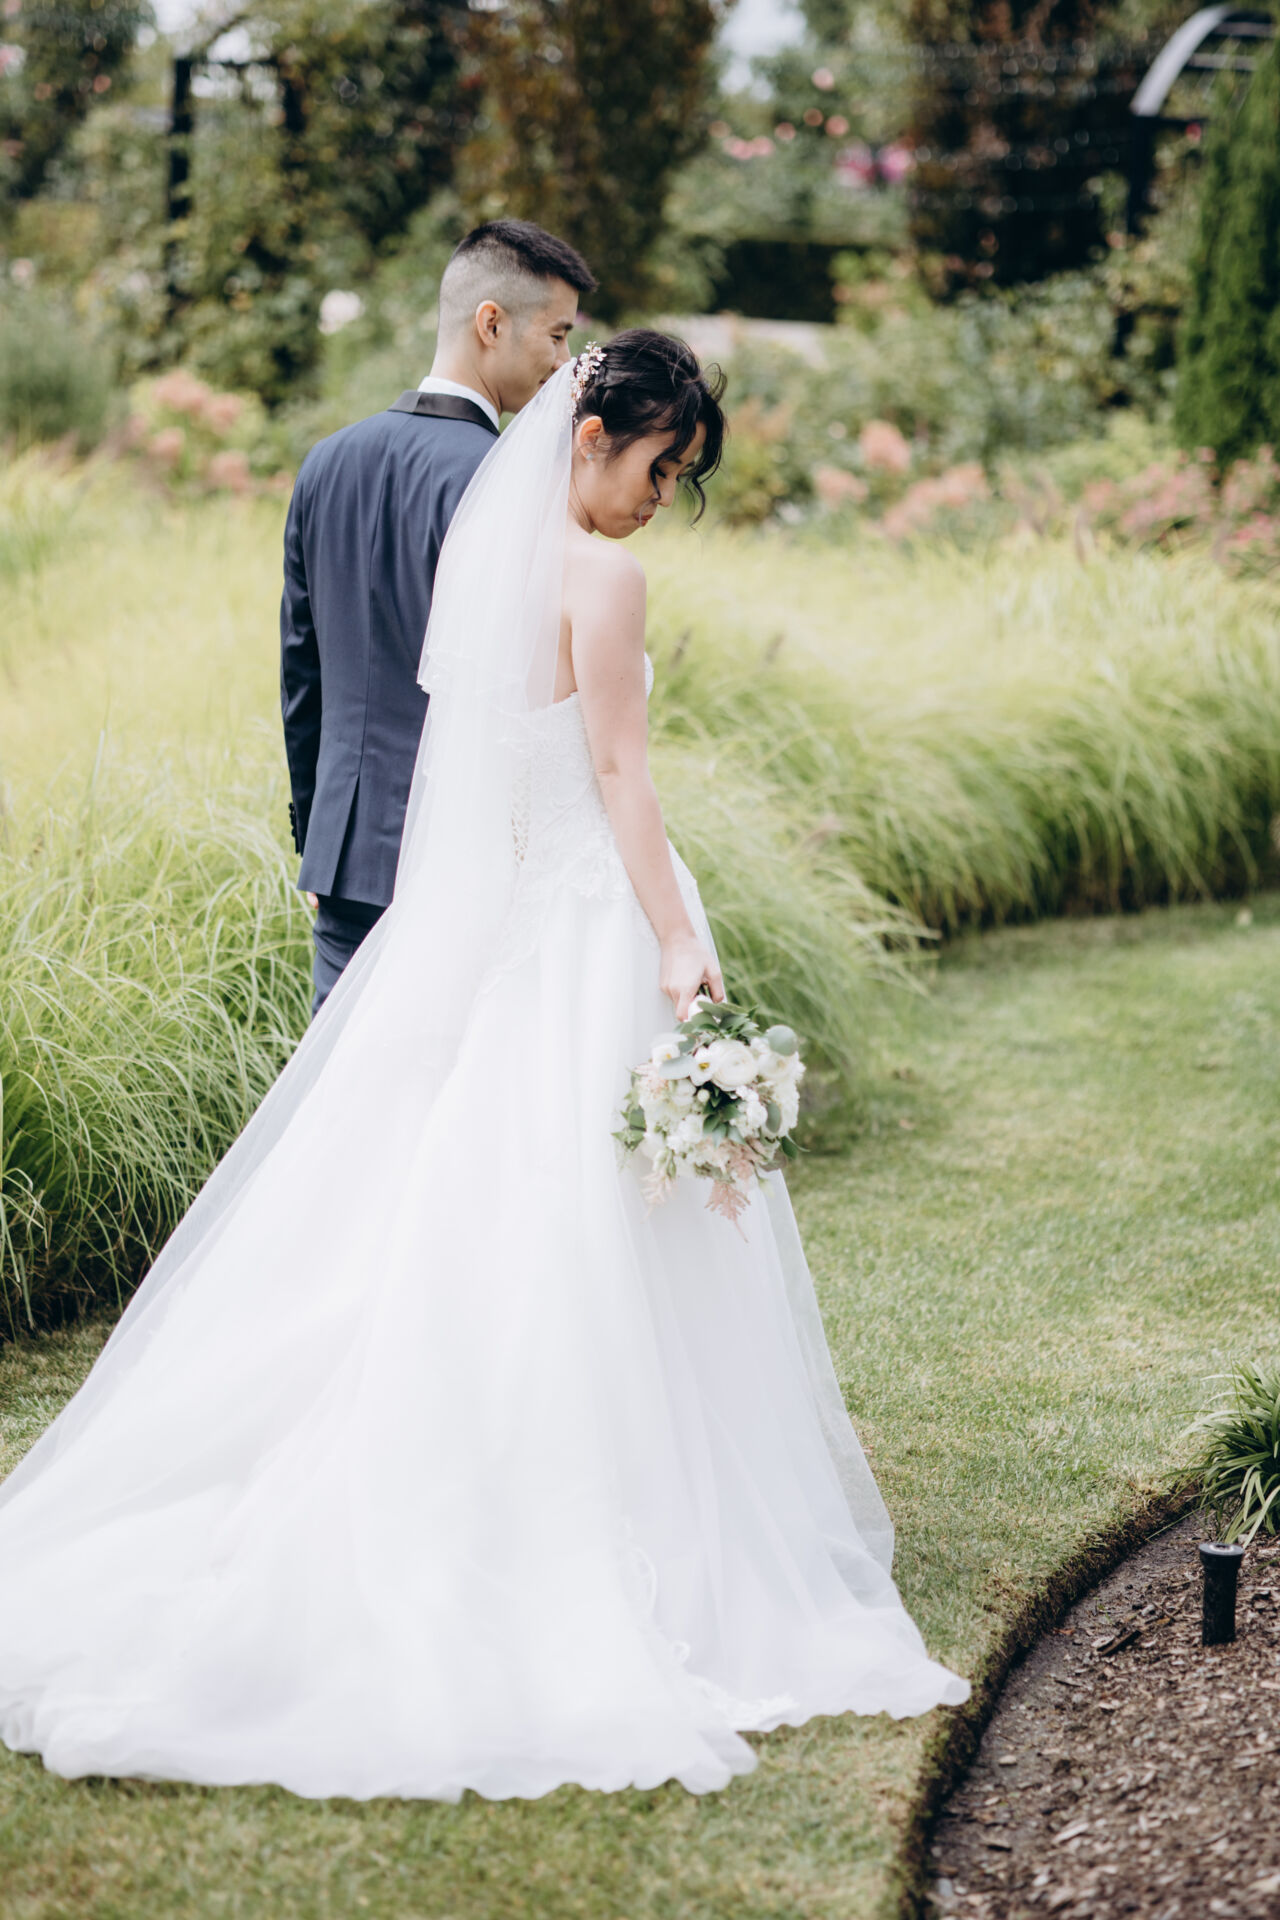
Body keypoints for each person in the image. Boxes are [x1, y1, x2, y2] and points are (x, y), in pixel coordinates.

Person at [0, 334, 968, 1802]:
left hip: (498, 920)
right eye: (659, 468)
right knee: (585, 1222)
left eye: (677, 480)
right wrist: (674, 937)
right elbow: (619, 773)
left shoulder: (487, 559)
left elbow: (484, 766)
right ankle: (601, 1522)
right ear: (590, 440)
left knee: (467, 1209)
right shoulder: (602, 579)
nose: (659, 500)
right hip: (586, 924)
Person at [281, 218, 596, 1014]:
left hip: (344, 856)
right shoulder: (504, 484)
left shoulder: (327, 461)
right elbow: (526, 689)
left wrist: (317, 833)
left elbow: (302, 671)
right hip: (459, 856)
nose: (564, 362)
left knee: (342, 1081)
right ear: (492, 323)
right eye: (557, 335)